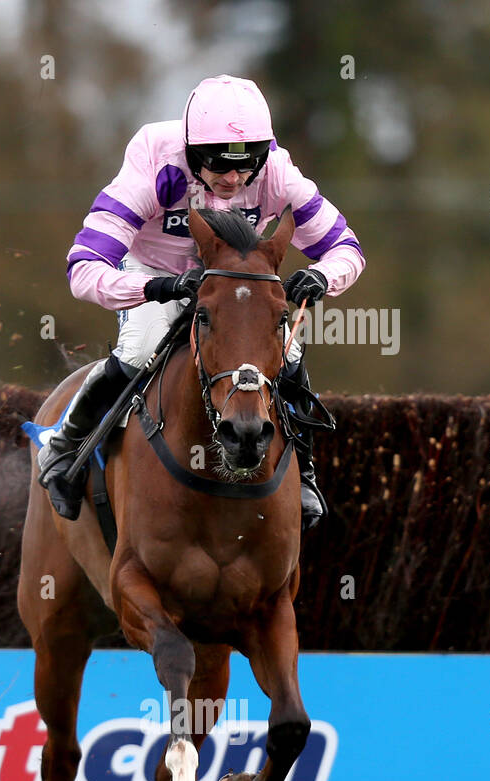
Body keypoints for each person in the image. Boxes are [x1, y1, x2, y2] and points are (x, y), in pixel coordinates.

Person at [38, 74, 364, 530]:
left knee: (287, 355)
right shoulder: (157, 167)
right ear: (191, 152)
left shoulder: (279, 173)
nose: (233, 178)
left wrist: (320, 275)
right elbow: (83, 268)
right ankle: (65, 445)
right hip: (158, 273)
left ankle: (304, 475)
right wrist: (153, 290)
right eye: (218, 165)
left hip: (233, 284)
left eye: (245, 165)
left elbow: (347, 249)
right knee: (138, 350)